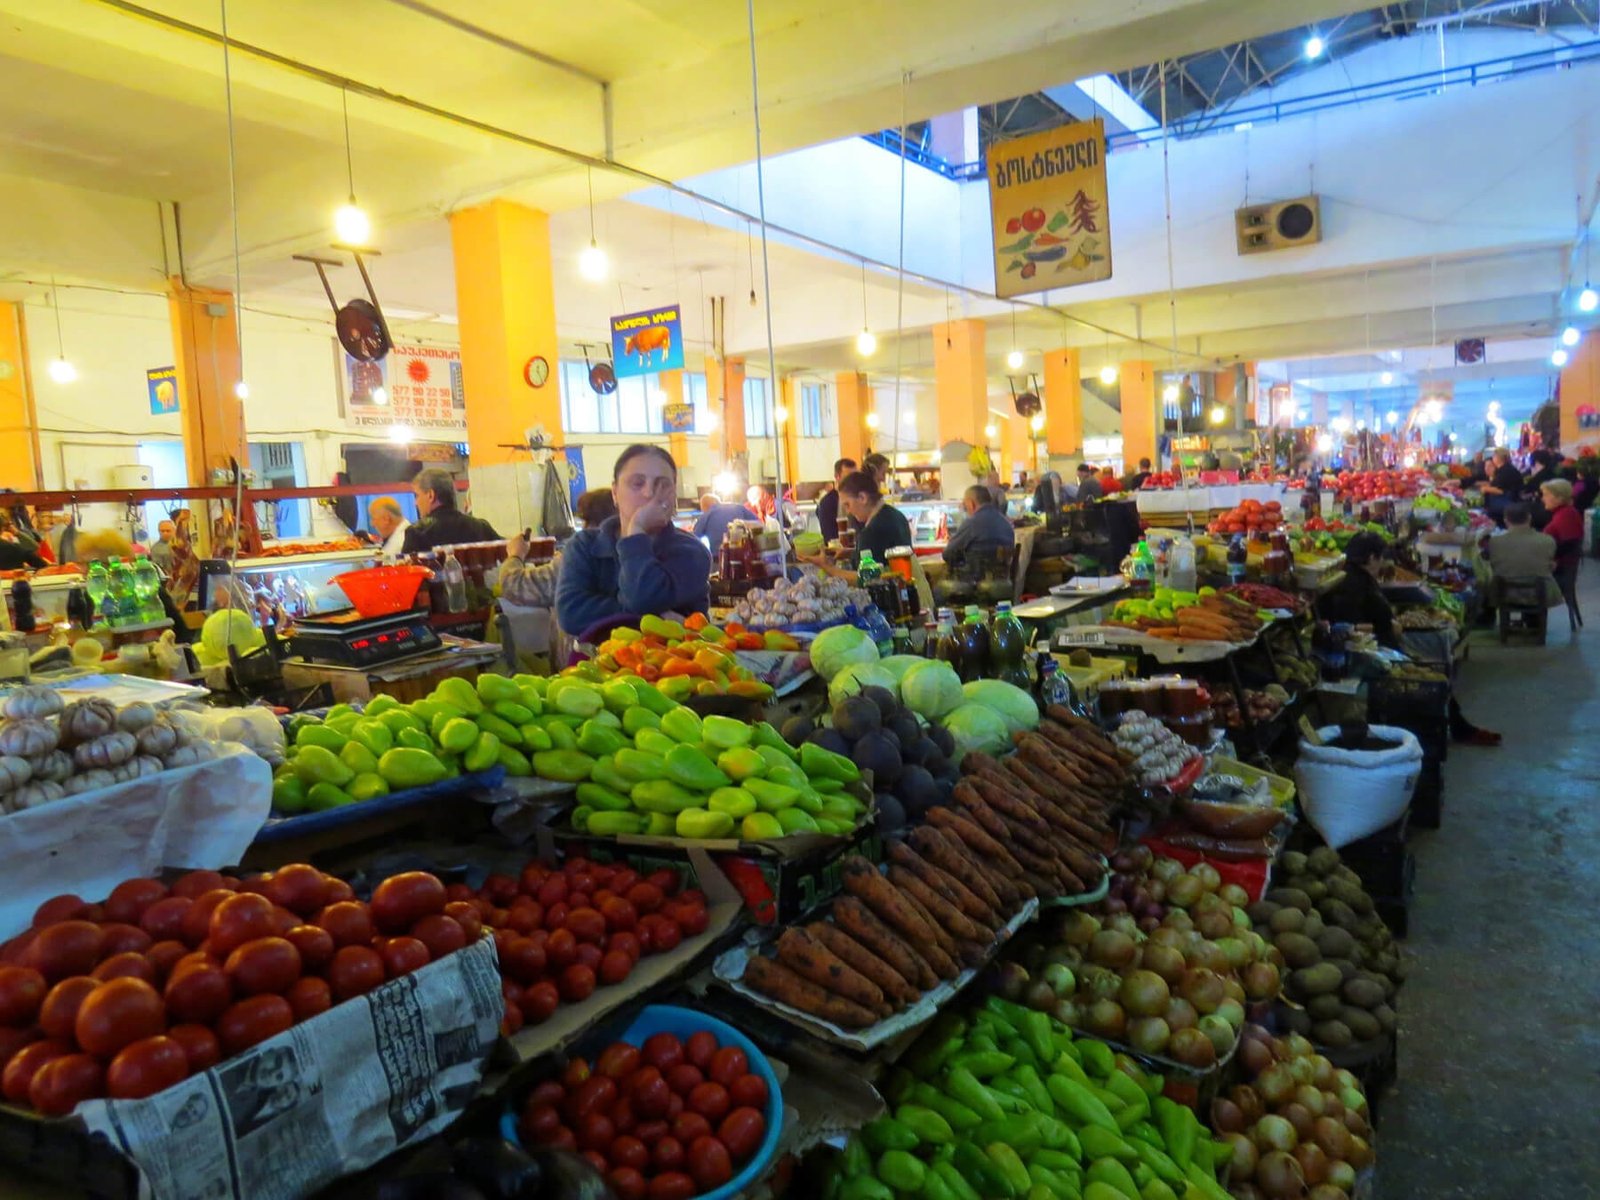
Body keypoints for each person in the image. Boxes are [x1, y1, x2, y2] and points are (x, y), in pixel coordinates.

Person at [1319, 532, 1499, 745]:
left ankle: (1459, 729)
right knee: (1430, 682)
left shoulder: (1356, 578)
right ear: (1371, 558)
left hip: (1384, 650)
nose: (1383, 563)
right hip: (1371, 657)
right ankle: (1454, 731)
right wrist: (1387, 628)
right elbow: (1348, 628)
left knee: (1435, 677)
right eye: (1381, 557)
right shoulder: (1352, 586)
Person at [555, 444, 710, 637]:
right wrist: (654, 617)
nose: (649, 493)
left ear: (674, 494)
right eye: (637, 483)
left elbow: (643, 599)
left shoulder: (691, 552)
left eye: (663, 484)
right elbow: (571, 615)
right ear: (615, 493)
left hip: (677, 663)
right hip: (599, 664)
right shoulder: (584, 546)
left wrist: (636, 531)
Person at [799, 470, 911, 583]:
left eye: (847, 504)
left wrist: (827, 567)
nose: (848, 511)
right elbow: (880, 554)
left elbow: (866, 580)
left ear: (862, 498)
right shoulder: (896, 515)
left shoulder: (871, 532)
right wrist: (851, 553)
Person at [402, 468, 499, 554]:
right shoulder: (481, 527)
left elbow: (409, 571)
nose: (415, 503)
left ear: (431, 495)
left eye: (417, 495)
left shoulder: (417, 533)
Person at [1487, 503, 1559, 607]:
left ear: (1506, 520)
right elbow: (1549, 566)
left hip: (1504, 594)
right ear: (1529, 518)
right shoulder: (1547, 540)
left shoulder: (1494, 542)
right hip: (1540, 594)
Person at [1540, 478, 1584, 630]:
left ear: (1558, 498)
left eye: (1546, 494)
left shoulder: (1566, 515)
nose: (1543, 498)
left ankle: (1532, 622)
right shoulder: (1564, 513)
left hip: (1560, 571)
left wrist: (1554, 560)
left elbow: (1569, 544)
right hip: (1561, 567)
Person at [943, 485, 1015, 575]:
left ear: (971, 503)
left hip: (973, 581)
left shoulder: (971, 523)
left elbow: (948, 554)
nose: (965, 508)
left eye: (965, 504)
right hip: (1003, 581)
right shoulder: (1006, 522)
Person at [693, 492, 761, 557]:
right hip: (745, 554)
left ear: (704, 506)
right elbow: (759, 524)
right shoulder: (739, 507)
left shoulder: (707, 514)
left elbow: (694, 537)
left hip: (720, 556)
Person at [815, 457, 856, 543]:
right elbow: (829, 538)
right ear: (837, 477)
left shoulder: (859, 498)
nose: (852, 481)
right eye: (848, 477)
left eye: (855, 476)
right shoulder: (827, 503)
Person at [1479, 449, 1523, 526]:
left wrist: (1485, 489)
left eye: (1494, 456)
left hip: (1505, 504)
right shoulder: (1505, 469)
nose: (1493, 458)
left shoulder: (1506, 471)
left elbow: (1501, 490)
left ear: (1498, 457)